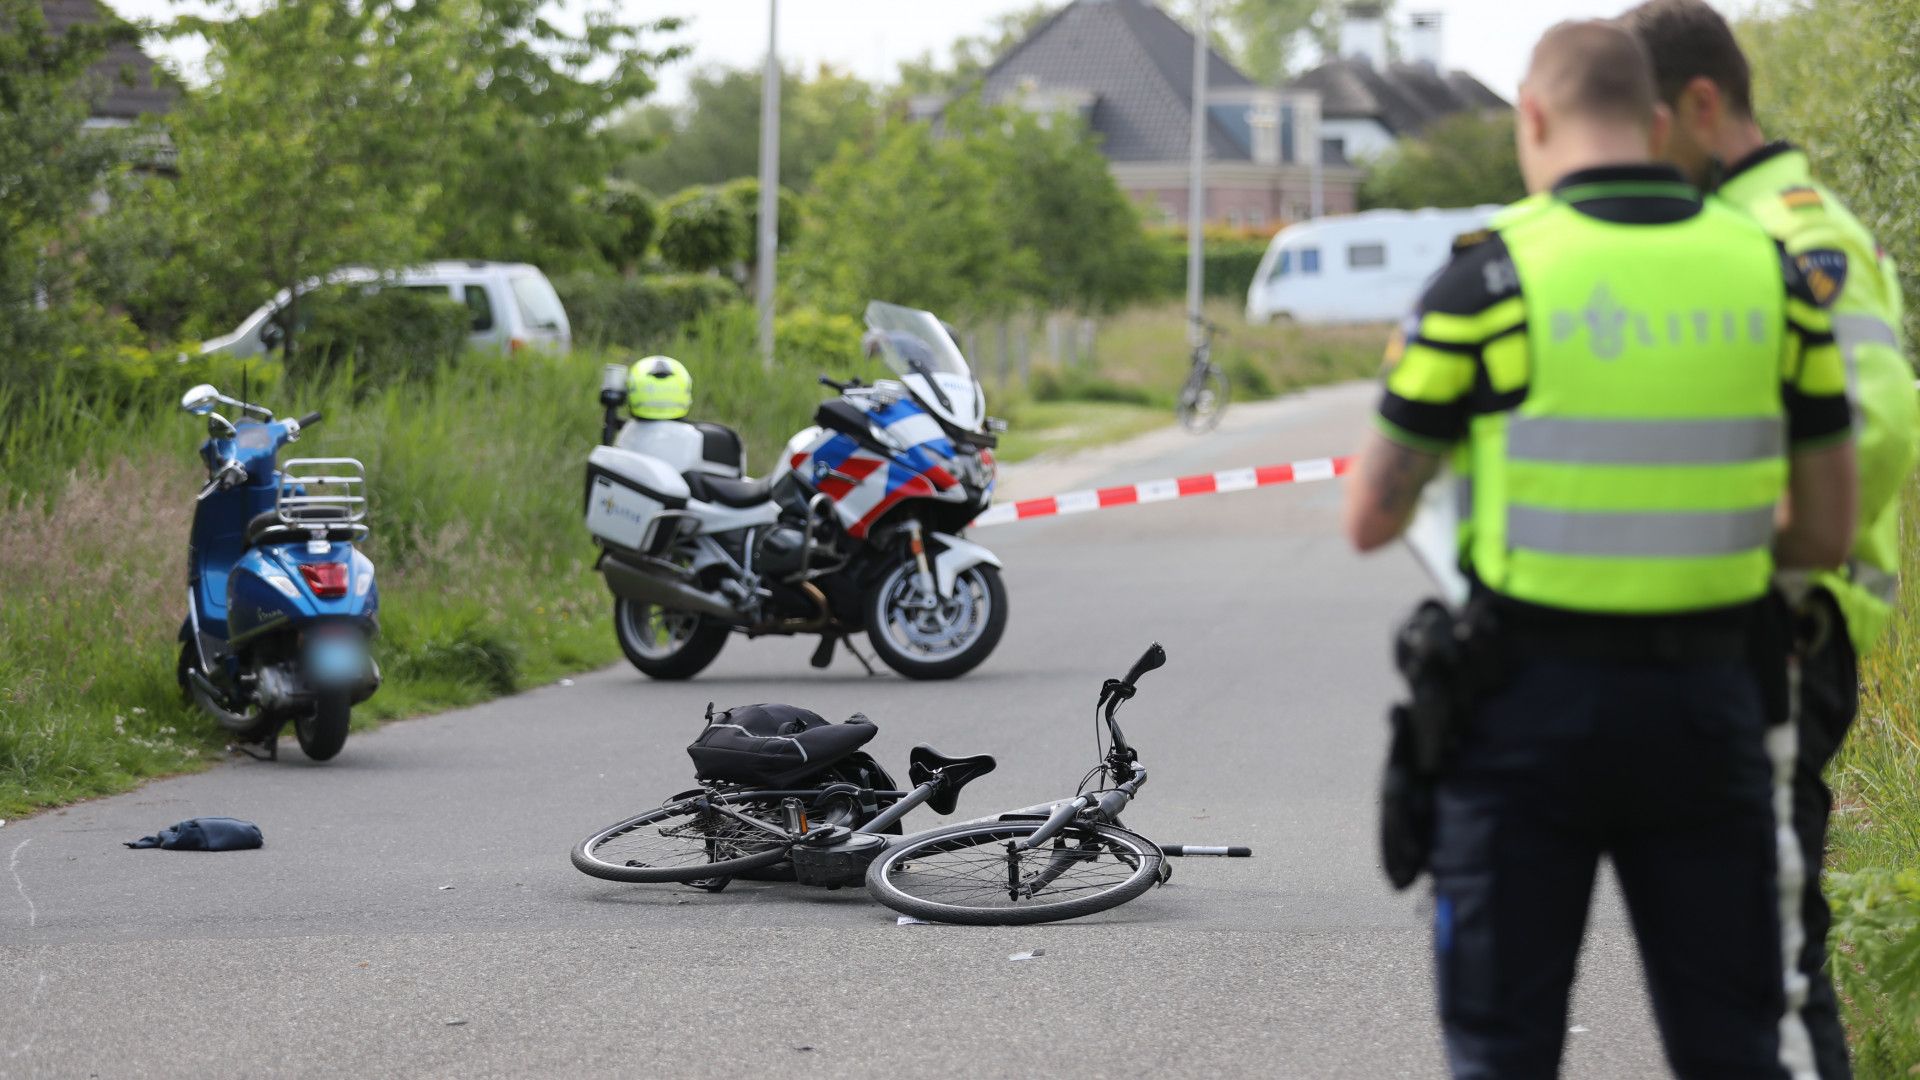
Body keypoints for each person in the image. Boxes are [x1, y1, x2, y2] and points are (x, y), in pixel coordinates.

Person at [1341, 19, 1857, 1080]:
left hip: (1524, 716)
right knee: (1733, 1046)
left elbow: (1371, 518)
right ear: (1661, 121)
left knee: (1503, 1049)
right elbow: (1825, 528)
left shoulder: (1484, 286)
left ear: (1533, 117)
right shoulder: (1773, 275)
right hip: (1713, 706)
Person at [1618, 5, 1919, 1075]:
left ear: (1701, 105)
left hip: (1784, 633)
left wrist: (1743, 561)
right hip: (1738, 641)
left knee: (1771, 977)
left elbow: (1876, 428)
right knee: (1733, 961)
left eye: (1639, 126)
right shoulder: (1721, 227)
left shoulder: (1798, 231)